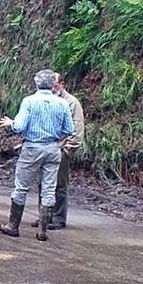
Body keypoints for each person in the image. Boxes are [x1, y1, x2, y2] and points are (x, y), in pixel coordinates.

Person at [0, 69, 75, 241]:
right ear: (52, 84)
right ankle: (42, 231)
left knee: (21, 187)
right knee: (49, 189)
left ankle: (13, 226)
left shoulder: (29, 101)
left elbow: (19, 127)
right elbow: (69, 130)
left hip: (32, 148)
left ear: (36, 83)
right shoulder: (62, 103)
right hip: (53, 149)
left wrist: (12, 123)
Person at [33, 73, 85, 230]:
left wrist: (68, 150)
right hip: (45, 147)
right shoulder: (45, 100)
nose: (53, 88)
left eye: (55, 85)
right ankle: (44, 216)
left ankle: (59, 218)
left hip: (61, 149)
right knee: (43, 183)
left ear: (61, 84)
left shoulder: (71, 103)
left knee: (59, 185)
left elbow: (77, 128)